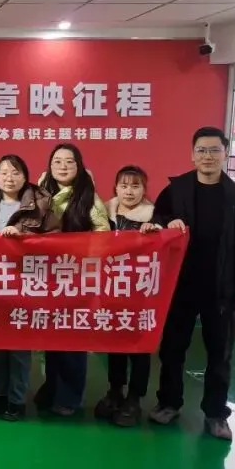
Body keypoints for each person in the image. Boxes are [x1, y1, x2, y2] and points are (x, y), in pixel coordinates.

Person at [143, 127, 235, 441]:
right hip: (180, 286)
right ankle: (169, 403)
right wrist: (165, 223)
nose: (207, 156)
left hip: (222, 289)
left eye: (214, 150)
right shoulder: (175, 192)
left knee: (220, 354)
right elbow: (156, 222)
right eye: (201, 150)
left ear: (225, 153)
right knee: (173, 349)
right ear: (192, 155)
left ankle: (216, 414)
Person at [34, 143, 110, 416]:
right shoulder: (40, 193)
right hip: (46, 277)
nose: (63, 166)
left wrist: (81, 254)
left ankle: (70, 397)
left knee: (72, 340)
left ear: (78, 166)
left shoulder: (89, 197)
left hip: (76, 277)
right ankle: (52, 387)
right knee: (51, 338)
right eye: (57, 161)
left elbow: (103, 235)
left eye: (69, 161)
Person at [0, 154, 51, 422]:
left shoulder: (41, 202)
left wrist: (24, 238)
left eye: (16, 172)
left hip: (25, 282)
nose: (9, 178)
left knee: (19, 347)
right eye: (4, 172)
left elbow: (54, 239)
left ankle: (17, 400)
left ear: (25, 176)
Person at [93, 165, 155, 428]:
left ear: (144, 190)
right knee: (114, 344)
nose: (129, 191)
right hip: (111, 289)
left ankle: (134, 398)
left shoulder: (153, 217)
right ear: (116, 188)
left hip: (140, 292)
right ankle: (115, 390)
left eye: (135, 186)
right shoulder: (103, 213)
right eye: (124, 185)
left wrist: (158, 230)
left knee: (139, 347)